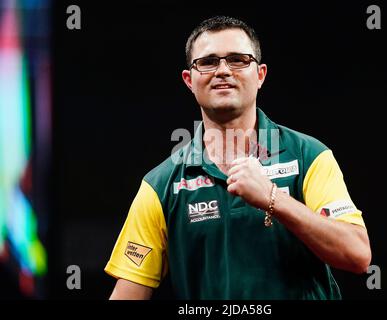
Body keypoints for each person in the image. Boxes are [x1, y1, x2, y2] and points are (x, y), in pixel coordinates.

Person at [104, 16, 371, 300]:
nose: (222, 71)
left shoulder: (310, 156)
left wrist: (273, 198)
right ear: (189, 80)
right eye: (207, 62)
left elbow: (356, 254)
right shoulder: (160, 186)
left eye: (237, 60)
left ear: (260, 75)